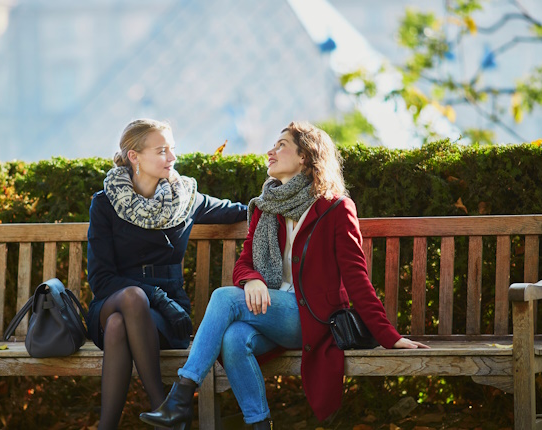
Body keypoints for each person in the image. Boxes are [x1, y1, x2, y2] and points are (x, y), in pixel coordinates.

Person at [139, 121, 429, 429]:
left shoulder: (335, 208)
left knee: (224, 297)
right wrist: (252, 278)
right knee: (235, 338)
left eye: (281, 145)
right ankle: (259, 424)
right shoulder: (268, 208)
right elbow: (244, 263)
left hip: (314, 319)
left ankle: (181, 397)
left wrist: (390, 337)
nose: (270, 151)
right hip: (273, 315)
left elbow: (357, 278)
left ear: (304, 157)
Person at [86, 118, 247, 429]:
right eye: (161, 151)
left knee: (121, 326)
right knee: (130, 301)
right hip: (112, 302)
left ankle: (110, 426)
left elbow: (240, 210)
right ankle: (165, 408)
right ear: (134, 156)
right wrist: (154, 295)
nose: (172, 158)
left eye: (172, 149)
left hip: (167, 316)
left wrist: (284, 198)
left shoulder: (184, 198)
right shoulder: (104, 204)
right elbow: (101, 280)